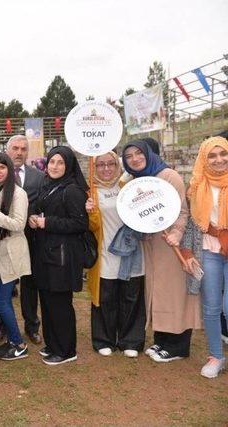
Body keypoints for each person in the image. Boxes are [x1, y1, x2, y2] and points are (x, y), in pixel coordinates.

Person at [121, 139, 201, 363]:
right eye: (129, 156)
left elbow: (183, 211)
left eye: (139, 153)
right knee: (157, 291)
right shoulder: (137, 181)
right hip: (151, 244)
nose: (135, 159)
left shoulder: (168, 176)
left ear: (148, 154)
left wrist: (176, 232)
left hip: (172, 243)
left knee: (174, 292)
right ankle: (162, 339)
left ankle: (178, 345)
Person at [29, 146, 89, 365]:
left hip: (63, 257)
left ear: (69, 165)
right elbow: (41, 209)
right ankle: (53, 344)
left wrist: (48, 222)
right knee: (47, 301)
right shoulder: (49, 185)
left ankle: (66, 350)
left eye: (60, 163)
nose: (54, 166)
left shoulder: (72, 190)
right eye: (52, 161)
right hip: (47, 253)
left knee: (60, 304)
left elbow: (80, 223)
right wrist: (33, 218)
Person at [85, 151, 146, 358]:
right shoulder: (91, 191)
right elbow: (91, 227)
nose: (106, 168)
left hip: (131, 251)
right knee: (105, 297)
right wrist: (91, 212)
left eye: (110, 163)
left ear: (117, 164)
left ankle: (131, 340)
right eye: (100, 165)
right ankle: (104, 339)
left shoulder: (127, 186)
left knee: (131, 295)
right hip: (105, 253)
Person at [180, 136, 228, 377]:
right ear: (204, 158)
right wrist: (187, 252)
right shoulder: (197, 185)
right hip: (209, 251)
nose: (219, 159)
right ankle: (216, 356)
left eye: (223, 153)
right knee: (211, 307)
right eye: (212, 155)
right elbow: (191, 224)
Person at [0, 152, 31, 361]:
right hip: (1, 252)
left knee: (2, 301)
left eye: (2, 167)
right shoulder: (0, 190)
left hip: (12, 252)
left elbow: (19, 224)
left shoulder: (18, 193)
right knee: (3, 301)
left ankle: (19, 344)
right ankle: (13, 341)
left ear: (9, 169)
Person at [1, 135, 45, 345]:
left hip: (31, 238)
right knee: (4, 284)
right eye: (15, 148)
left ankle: (32, 326)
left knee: (30, 285)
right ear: (8, 150)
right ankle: (2, 326)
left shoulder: (38, 176)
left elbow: (42, 204)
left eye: (23, 149)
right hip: (5, 238)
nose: (19, 152)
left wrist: (37, 217)